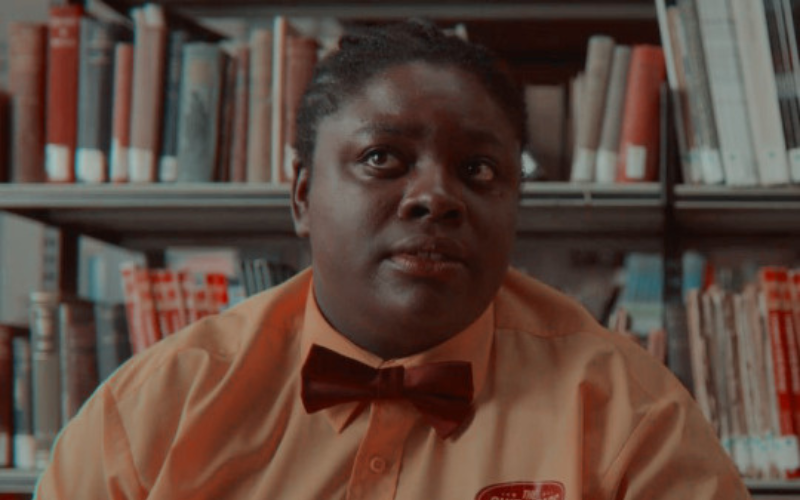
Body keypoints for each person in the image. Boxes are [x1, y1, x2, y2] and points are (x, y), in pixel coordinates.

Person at [35, 20, 750, 499]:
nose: (437, 198)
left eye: (478, 170)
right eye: (383, 159)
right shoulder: (158, 411)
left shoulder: (630, 413)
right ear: (304, 197)